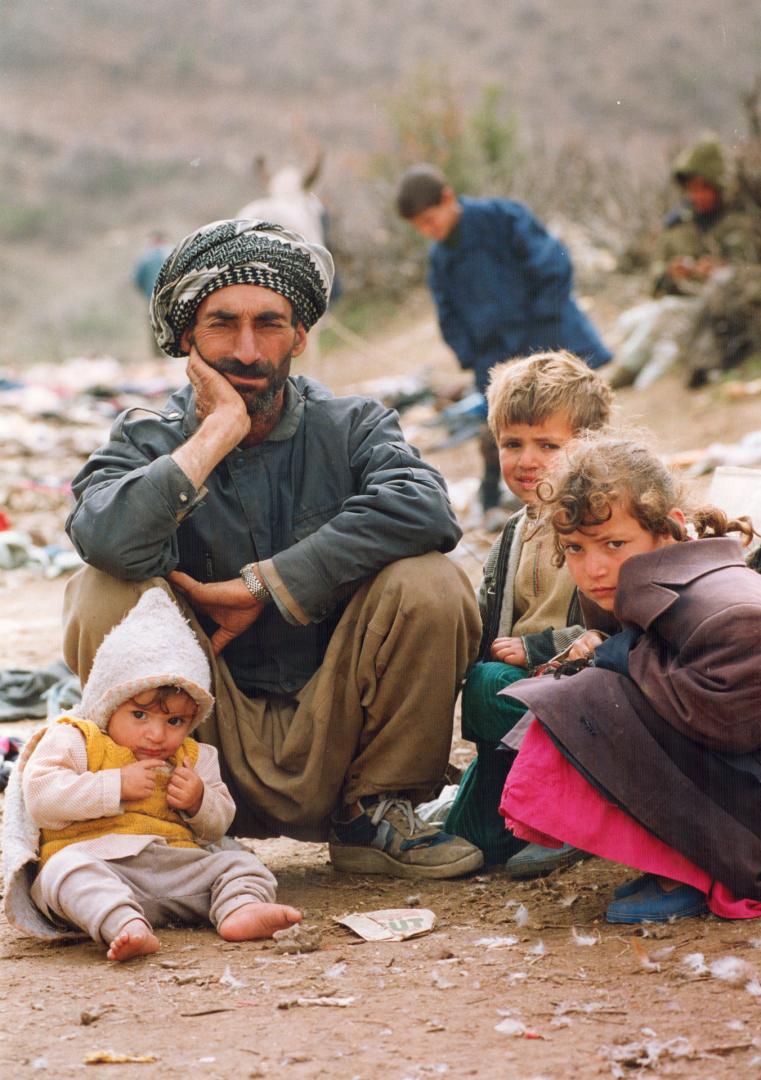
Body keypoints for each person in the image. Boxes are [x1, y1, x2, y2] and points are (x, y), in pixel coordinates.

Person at [63, 218, 483, 880]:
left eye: (270, 324)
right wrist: (214, 435)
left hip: (337, 723)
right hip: (196, 744)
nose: (249, 351)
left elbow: (425, 508)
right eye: (222, 324)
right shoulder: (148, 438)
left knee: (430, 581)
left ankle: (373, 815)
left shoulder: (352, 426)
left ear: (300, 335)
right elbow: (103, 537)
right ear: (185, 340)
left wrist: (268, 585)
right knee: (101, 591)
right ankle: (161, 824)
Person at [500, 434, 761, 923]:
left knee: (593, 698)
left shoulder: (735, 612)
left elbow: (727, 725)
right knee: (571, 698)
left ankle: (697, 867)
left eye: (614, 544)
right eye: (574, 548)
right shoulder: (628, 585)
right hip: (727, 782)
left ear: (671, 529)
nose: (593, 566)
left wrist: (616, 657)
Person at [3, 589, 301, 960]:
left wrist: (199, 802)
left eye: (175, 721)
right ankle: (123, 923)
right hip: (93, 860)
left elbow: (217, 826)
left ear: (192, 720)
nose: (157, 735)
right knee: (62, 873)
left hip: (173, 867)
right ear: (108, 702)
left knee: (241, 863)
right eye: (140, 716)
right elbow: (42, 799)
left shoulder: (194, 757)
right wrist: (115, 786)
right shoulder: (76, 738)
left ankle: (239, 909)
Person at [443, 351, 612, 874]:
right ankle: (527, 802)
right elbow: (487, 616)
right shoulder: (518, 530)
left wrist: (539, 650)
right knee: (468, 841)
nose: (526, 460)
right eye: (512, 444)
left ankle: (585, 802)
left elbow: (618, 628)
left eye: (548, 445)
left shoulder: (602, 526)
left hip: (583, 692)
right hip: (521, 697)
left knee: (490, 684)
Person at [395, 165, 612, 517]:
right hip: (494, 353)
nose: (427, 231)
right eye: (419, 227)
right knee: (501, 429)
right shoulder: (440, 258)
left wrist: (541, 323)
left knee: (574, 422)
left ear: (448, 198)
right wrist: (471, 353)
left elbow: (551, 264)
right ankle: (494, 498)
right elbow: (447, 312)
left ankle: (592, 490)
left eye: (430, 220)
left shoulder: (501, 218)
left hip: (547, 336)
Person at [610, 133, 761, 389]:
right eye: (692, 188)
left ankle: (623, 377)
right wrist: (673, 273)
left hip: (714, 313)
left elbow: (749, 272)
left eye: (705, 187)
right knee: (630, 322)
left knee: (660, 326)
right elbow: (655, 281)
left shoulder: (741, 222)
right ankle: (619, 374)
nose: (698, 195)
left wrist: (720, 271)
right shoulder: (678, 226)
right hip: (679, 303)